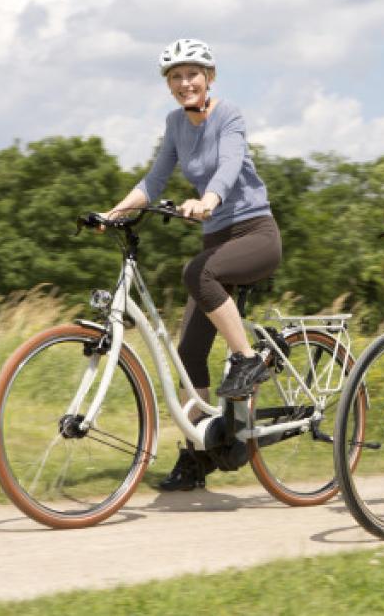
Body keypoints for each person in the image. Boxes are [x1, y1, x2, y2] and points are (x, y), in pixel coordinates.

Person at [104, 38, 282, 491]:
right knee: (190, 354)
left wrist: (208, 199)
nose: (185, 83)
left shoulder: (229, 115)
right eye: (176, 77)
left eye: (193, 74)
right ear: (169, 86)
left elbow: (229, 163)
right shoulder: (175, 124)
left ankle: (248, 358)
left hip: (255, 234)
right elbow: (154, 178)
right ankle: (197, 458)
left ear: (210, 77)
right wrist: (114, 212)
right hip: (217, 238)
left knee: (197, 272)